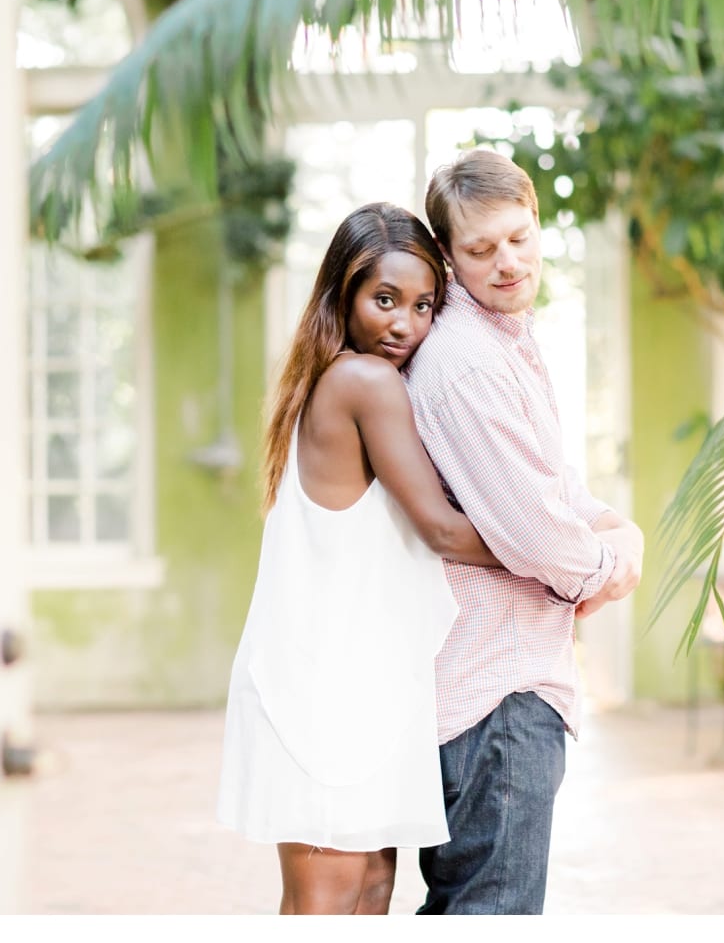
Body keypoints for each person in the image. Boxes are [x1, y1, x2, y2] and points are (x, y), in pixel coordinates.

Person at [215, 202, 503, 915]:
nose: (404, 323)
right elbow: (440, 529)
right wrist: (560, 557)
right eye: (384, 300)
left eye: (423, 304)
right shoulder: (362, 383)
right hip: (324, 694)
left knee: (371, 894)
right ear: (341, 295)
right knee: (331, 904)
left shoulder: (339, 381)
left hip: (365, 690)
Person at [404, 149, 645, 915]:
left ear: (536, 224)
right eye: (480, 250)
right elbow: (539, 534)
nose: (507, 262)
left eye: (518, 238)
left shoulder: (504, 339)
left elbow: (550, 486)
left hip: (498, 695)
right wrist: (608, 566)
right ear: (447, 256)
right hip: (495, 700)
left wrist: (611, 525)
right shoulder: (467, 363)